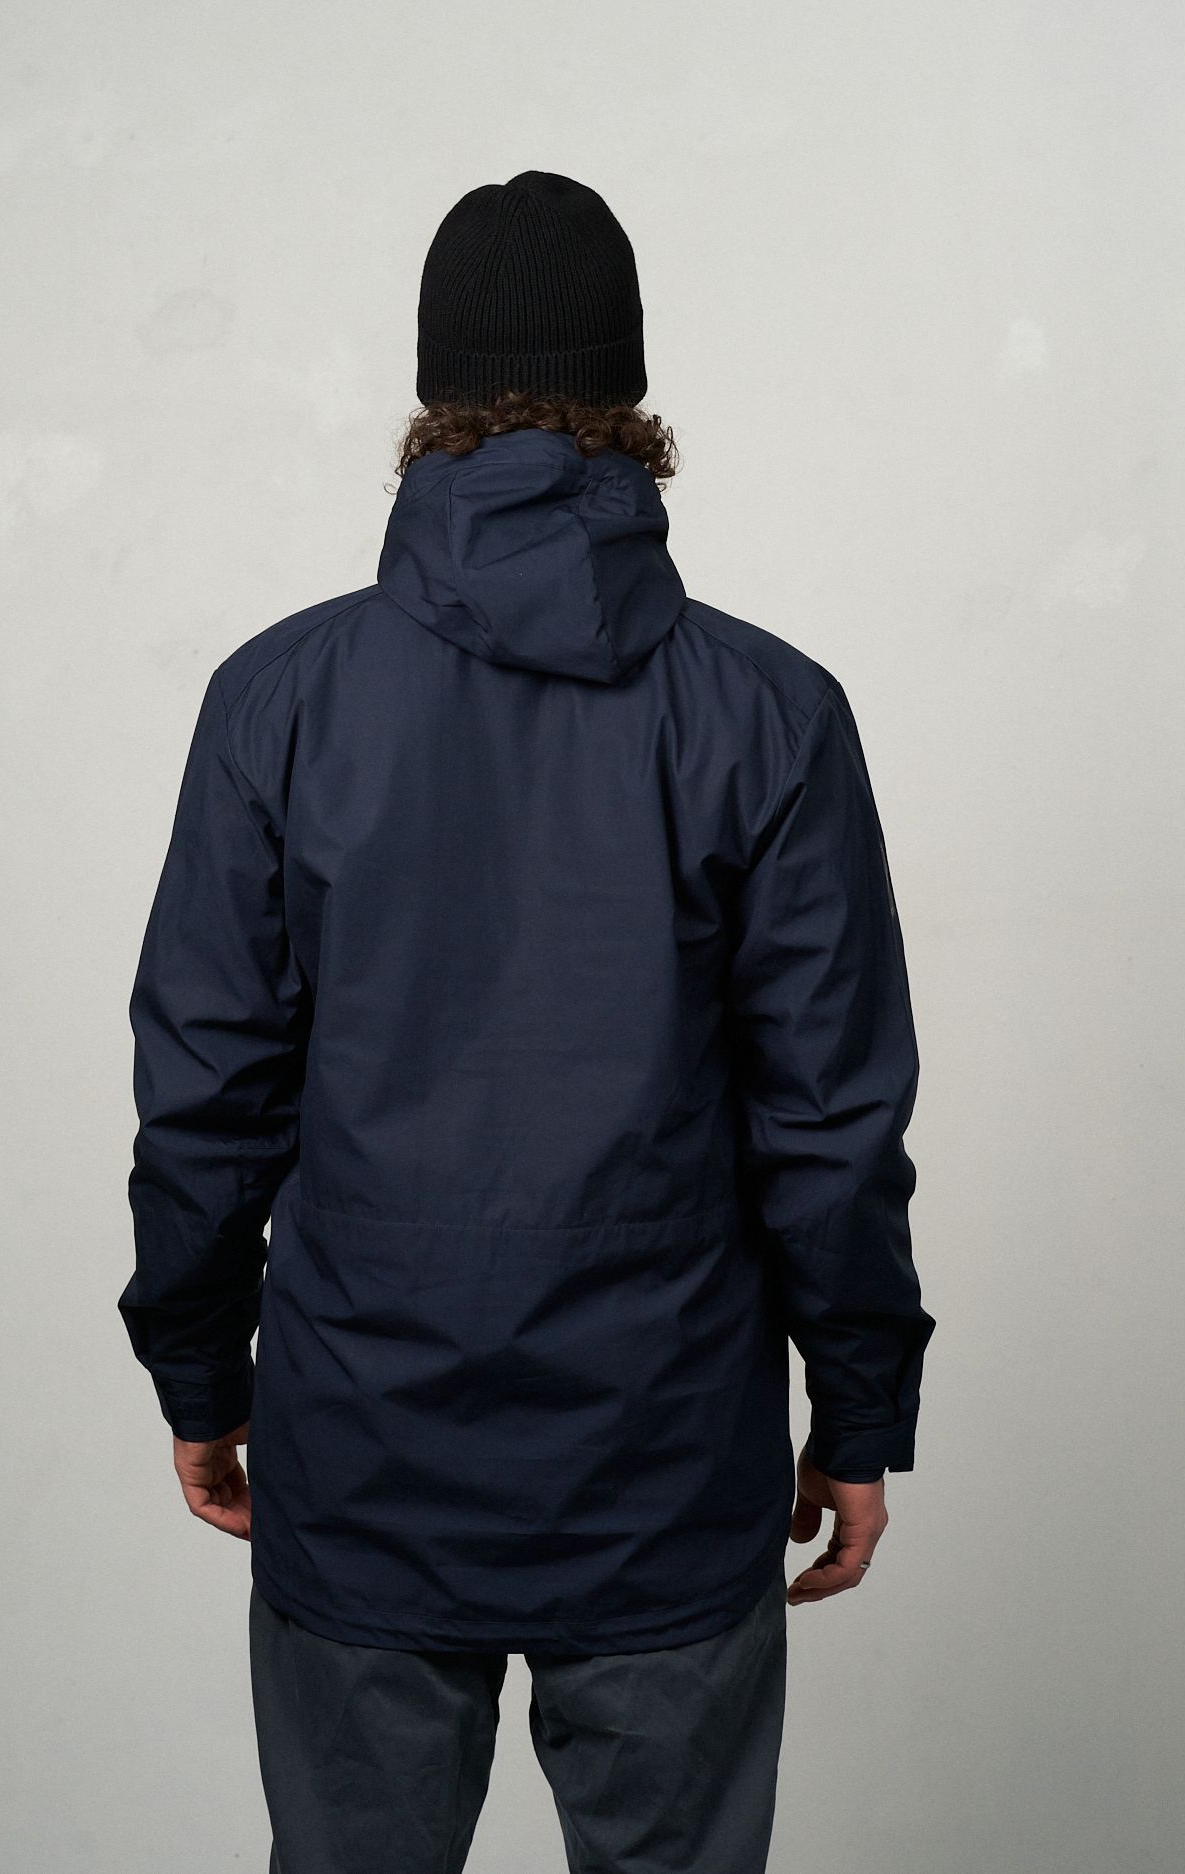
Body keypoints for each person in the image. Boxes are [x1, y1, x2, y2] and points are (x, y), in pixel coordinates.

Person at [118, 169, 936, 1874]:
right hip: (665, 1469)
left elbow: (206, 1094)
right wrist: (858, 1413)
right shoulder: (771, 713)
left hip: (365, 1457)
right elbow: (830, 1121)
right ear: (629, 395)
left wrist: (201, 1371)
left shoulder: (279, 701)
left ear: (432, 398)